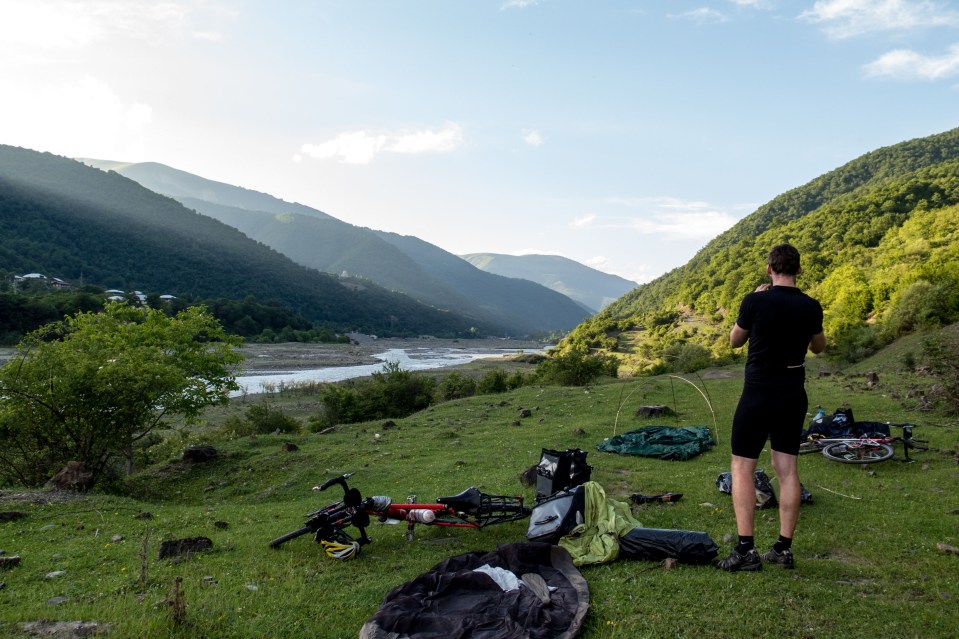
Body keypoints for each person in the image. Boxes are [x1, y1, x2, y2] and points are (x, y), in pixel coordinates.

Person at [716, 243, 825, 572]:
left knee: (742, 467)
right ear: (799, 270)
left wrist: (752, 300)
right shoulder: (811, 306)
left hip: (758, 392)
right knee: (787, 469)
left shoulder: (755, 301)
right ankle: (783, 549)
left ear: (769, 269)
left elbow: (735, 340)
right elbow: (819, 347)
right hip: (793, 393)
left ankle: (746, 550)